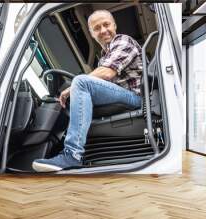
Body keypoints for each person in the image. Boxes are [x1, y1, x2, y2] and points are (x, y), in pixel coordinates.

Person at [32, 9, 143, 172]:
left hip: (134, 97)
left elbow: (107, 73)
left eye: (106, 24)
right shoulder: (104, 56)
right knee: (81, 84)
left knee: (81, 81)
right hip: (121, 95)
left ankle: (72, 155)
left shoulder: (123, 41)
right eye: (97, 28)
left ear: (114, 25)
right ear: (91, 33)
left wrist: (72, 88)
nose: (103, 30)